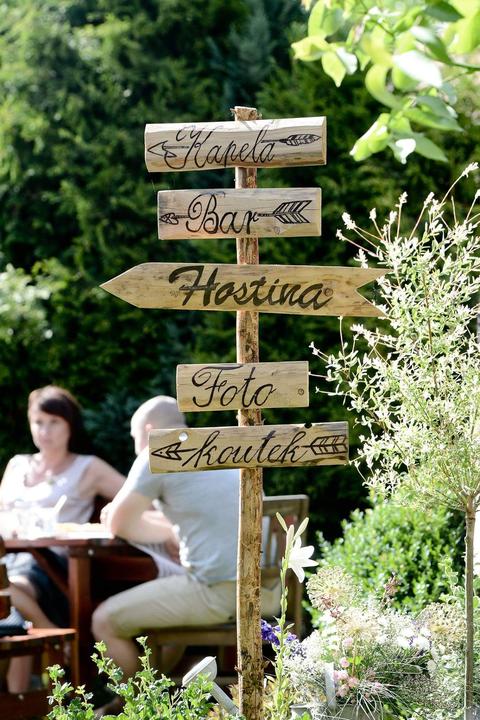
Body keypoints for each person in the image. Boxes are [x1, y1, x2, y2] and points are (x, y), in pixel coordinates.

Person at [92, 395, 280, 710]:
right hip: (268, 590)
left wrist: (143, 526)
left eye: (134, 438)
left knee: (104, 621)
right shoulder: (220, 446)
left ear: (148, 430)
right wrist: (170, 531)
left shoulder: (159, 449)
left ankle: (137, 708)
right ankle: (155, 700)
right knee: (160, 612)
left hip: (219, 591)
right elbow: (199, 517)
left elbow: (120, 524)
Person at [0, 385, 126, 691]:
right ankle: (46, 646)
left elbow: (136, 498)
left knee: (8, 590)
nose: (45, 431)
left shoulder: (88, 467)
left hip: (56, 568)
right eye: (38, 422)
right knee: (13, 607)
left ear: (70, 425)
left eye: (54, 422)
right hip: (11, 556)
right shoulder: (17, 465)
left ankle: (50, 644)